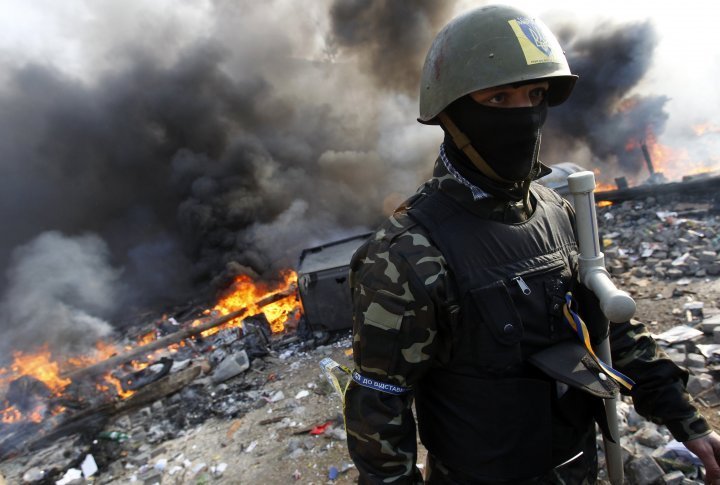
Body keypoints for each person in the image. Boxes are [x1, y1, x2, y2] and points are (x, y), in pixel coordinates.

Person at [343, 4, 720, 484]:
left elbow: (606, 329)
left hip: (578, 467)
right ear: (452, 115)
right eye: (498, 99)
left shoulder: (556, 212)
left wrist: (686, 421)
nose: (523, 116)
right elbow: (379, 404)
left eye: (535, 94)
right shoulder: (406, 255)